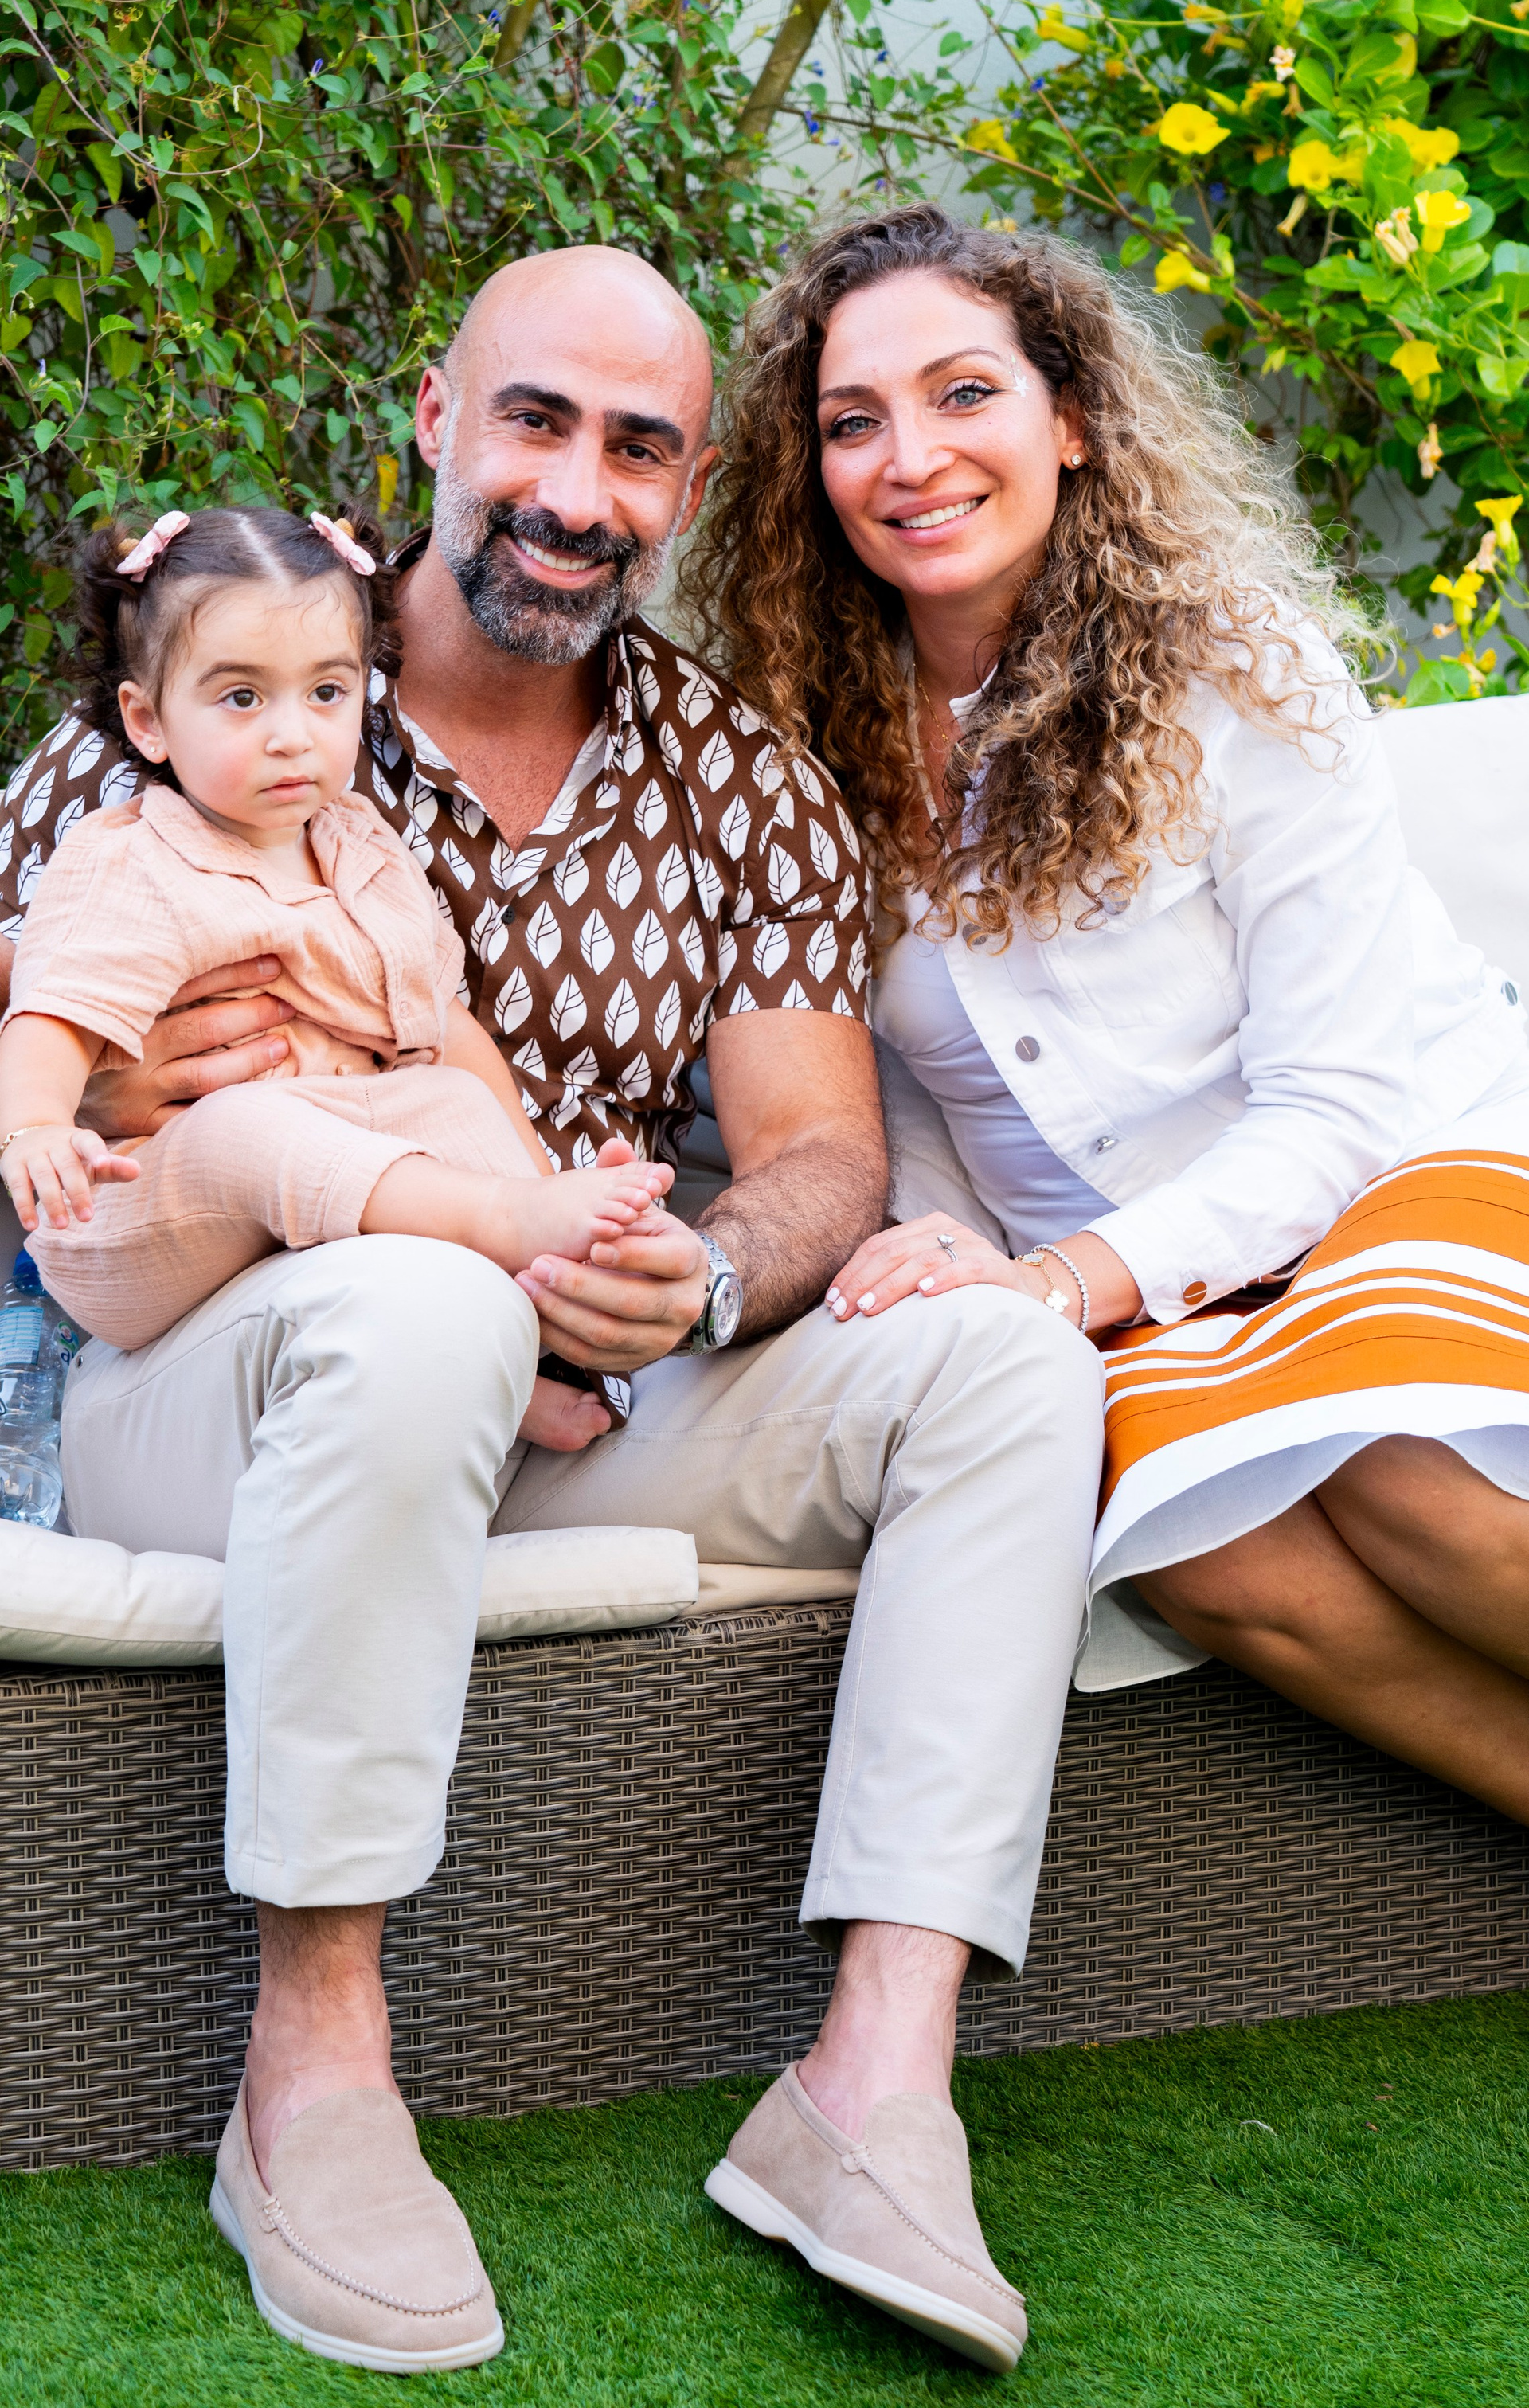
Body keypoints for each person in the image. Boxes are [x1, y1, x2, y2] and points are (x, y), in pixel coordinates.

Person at [0, 245, 1102, 2376]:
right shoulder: (212, 691)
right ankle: (312, 2072)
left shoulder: (737, 786)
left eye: (637, 448)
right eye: (535, 421)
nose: (577, 492)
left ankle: (870, 2087)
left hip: (573, 1388)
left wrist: (694, 1271)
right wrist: (119, 1098)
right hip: (210, 1387)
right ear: (438, 416)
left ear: (688, 486)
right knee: (422, 1304)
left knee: (997, 1359)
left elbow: (819, 1155)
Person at [683, 198, 1529, 1863]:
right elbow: (913, 1094)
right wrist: (944, 1244)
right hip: (1103, 1274)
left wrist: (1067, 1283)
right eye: (852, 422)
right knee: (1200, 1543)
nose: (910, 457)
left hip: (1396, 1170)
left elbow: (1341, 1098)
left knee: (1390, 1456)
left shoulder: (1240, 673)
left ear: (1069, 419)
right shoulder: (802, 744)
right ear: (808, 472)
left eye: (964, 394)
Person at [0, 502, 669, 1390]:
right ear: (148, 719)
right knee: (248, 1124)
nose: (292, 735)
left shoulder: (362, 844)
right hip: (137, 1214)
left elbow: (444, 1027)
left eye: (326, 692)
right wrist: (37, 1128)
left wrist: (534, 1174)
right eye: (241, 697)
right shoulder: (131, 859)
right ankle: (499, 1224)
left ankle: (532, 1335)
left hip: (310, 1187)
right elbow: (50, 1014)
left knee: (448, 1093)